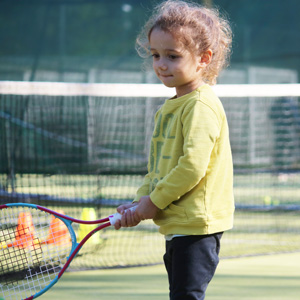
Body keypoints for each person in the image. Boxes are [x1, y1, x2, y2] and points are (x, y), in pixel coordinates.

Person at [114, 1, 235, 299]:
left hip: (197, 224)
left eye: (172, 56)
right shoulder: (173, 106)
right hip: (179, 223)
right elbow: (159, 169)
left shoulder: (200, 106)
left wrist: (151, 204)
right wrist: (139, 201)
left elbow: (192, 167)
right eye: (156, 55)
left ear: (204, 58)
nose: (161, 64)